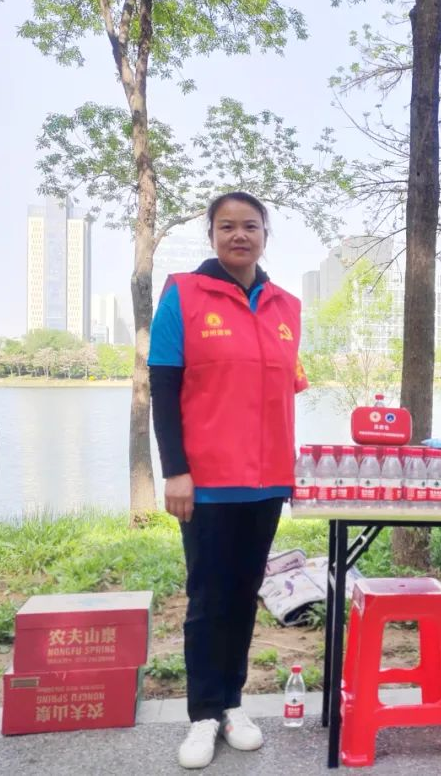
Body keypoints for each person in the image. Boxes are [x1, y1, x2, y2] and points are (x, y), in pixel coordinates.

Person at [149, 191, 308, 769]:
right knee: (207, 599)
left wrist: (295, 471)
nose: (239, 235)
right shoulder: (183, 295)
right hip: (208, 482)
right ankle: (201, 714)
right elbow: (164, 388)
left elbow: (284, 387)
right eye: (227, 226)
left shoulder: (287, 307)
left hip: (266, 482)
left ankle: (233, 705)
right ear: (212, 235)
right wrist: (176, 471)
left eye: (250, 226)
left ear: (265, 234)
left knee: (243, 596)